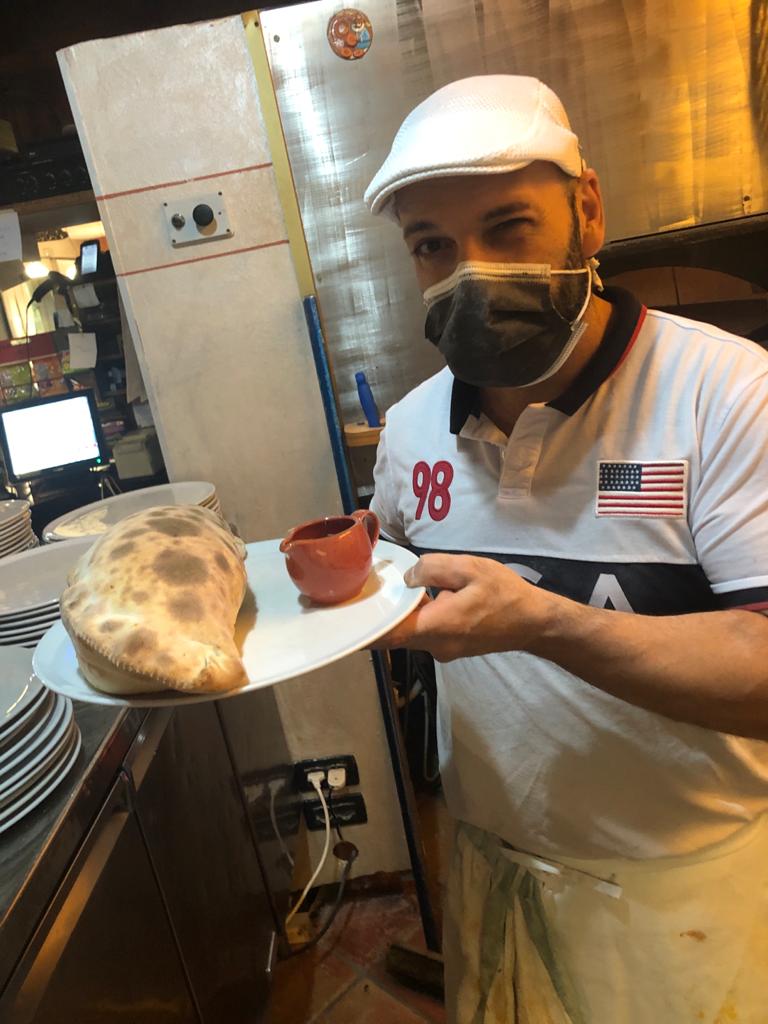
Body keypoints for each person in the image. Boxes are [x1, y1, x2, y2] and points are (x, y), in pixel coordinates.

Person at [363, 75, 768, 1023]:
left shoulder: (725, 392)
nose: (471, 274)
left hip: (685, 894)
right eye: (433, 246)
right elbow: (386, 574)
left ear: (587, 211)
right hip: (490, 868)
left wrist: (543, 622)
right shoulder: (411, 429)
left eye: (508, 227)